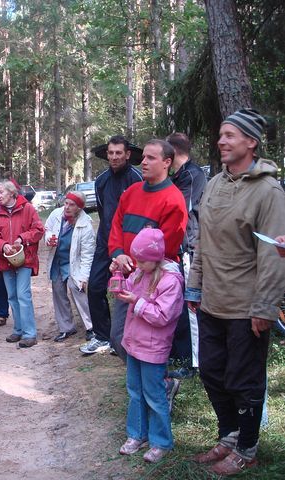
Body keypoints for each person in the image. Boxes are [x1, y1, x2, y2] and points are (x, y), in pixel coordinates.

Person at [185, 109, 285, 475]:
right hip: (212, 302)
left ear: (251, 142)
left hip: (246, 308)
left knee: (244, 380)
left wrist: (265, 307)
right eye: (221, 135)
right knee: (212, 373)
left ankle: (247, 448)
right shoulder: (215, 183)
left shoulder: (269, 191)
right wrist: (194, 286)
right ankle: (228, 435)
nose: (221, 141)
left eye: (229, 135)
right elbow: (202, 241)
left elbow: (274, 255)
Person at [106, 139, 187, 362]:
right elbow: (116, 226)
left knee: (148, 341)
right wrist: (118, 254)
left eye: (151, 158)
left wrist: (132, 263)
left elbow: (166, 248)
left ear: (166, 162)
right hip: (127, 278)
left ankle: (156, 378)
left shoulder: (174, 200)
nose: (143, 162)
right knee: (120, 337)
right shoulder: (131, 192)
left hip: (154, 282)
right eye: (143, 157)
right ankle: (141, 378)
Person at [115, 228, 184, 464]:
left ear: (155, 258)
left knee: (154, 396)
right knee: (135, 391)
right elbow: (126, 289)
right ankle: (137, 434)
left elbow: (163, 316)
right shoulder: (141, 273)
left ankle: (161, 441)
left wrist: (137, 302)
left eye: (142, 261)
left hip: (153, 349)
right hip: (134, 344)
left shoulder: (170, 281)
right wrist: (117, 276)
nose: (138, 264)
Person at [81, 136, 143, 355]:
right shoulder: (101, 181)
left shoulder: (136, 179)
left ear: (127, 154)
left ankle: (126, 338)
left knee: (130, 289)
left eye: (119, 153)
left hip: (130, 244)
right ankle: (102, 336)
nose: (114, 157)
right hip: (105, 241)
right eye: (111, 153)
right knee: (95, 287)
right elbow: (102, 211)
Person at [166, 132, 207, 379]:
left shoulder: (192, 175)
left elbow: (180, 210)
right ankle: (185, 355)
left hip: (191, 248)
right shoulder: (180, 176)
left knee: (192, 307)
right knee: (182, 306)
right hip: (181, 250)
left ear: (173, 152)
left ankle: (196, 365)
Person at [0, 180, 44, 348]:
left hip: (25, 259)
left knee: (23, 295)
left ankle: (30, 334)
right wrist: (3, 245)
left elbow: (38, 230)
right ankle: (18, 329)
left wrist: (22, 238)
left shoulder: (27, 208)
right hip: (6, 260)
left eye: (1, 192)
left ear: (12, 193)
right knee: (12, 296)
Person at [44, 191, 95, 342]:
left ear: (79, 207)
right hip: (58, 260)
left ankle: (91, 327)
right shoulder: (56, 214)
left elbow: (87, 255)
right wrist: (49, 238)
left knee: (77, 289)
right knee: (58, 292)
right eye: (66, 203)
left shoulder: (86, 225)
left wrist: (84, 277)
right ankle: (66, 328)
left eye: (71, 205)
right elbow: (47, 229)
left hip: (74, 263)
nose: (67, 207)